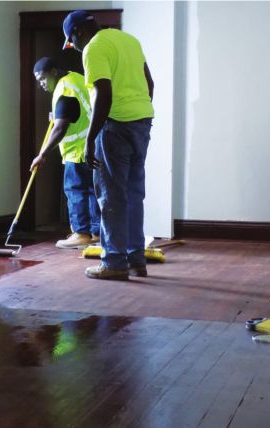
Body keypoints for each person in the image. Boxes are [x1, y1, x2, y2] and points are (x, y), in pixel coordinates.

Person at [62, 11, 154, 280]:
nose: (74, 47)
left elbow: (103, 92)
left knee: (111, 196)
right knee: (134, 193)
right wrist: (139, 112)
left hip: (115, 126)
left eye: (71, 41)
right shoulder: (129, 40)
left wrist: (90, 138)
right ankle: (136, 259)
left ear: (78, 32)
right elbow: (149, 83)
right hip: (142, 122)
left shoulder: (94, 47)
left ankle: (114, 262)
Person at [30, 57, 100, 249]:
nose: (42, 84)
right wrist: (58, 115)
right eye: (38, 81)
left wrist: (42, 154)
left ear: (53, 72)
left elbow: (60, 128)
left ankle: (81, 233)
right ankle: (96, 233)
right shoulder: (76, 78)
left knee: (75, 191)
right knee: (93, 191)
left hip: (76, 152)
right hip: (93, 147)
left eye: (43, 78)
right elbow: (78, 110)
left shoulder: (64, 90)